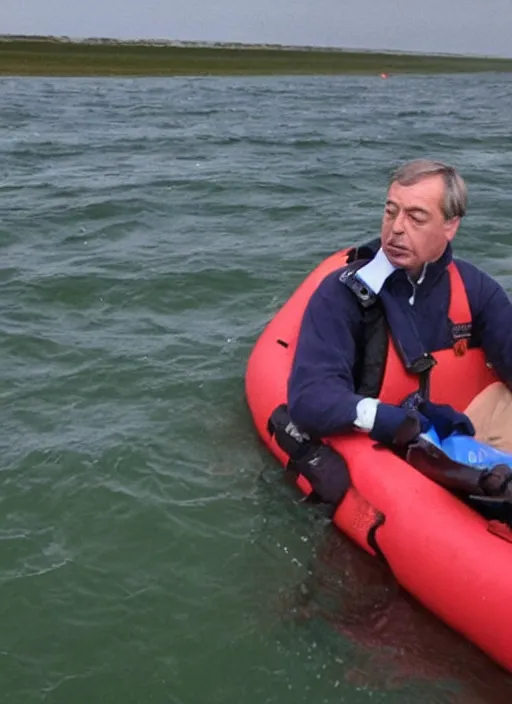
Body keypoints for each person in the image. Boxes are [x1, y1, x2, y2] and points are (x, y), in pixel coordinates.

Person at [279, 159, 512, 506]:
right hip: (394, 453)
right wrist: (389, 419)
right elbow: (311, 400)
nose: (396, 229)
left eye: (416, 217)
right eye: (391, 212)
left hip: (463, 435)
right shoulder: (342, 295)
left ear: (451, 226)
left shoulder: (474, 289)